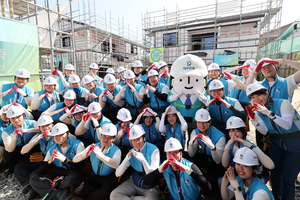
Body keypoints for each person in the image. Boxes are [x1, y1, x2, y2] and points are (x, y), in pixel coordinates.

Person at [245, 83, 300, 200]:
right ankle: (276, 195)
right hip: (276, 142)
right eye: (252, 97)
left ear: (266, 94)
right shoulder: (258, 111)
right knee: (274, 171)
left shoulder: (283, 103)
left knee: (288, 178)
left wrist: (269, 113)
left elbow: (287, 125)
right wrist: (254, 119)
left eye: (258, 95)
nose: (256, 99)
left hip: (295, 142)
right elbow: (264, 130)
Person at [29, 123, 85, 199]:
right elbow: (40, 170)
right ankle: (58, 193)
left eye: (62, 134)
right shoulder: (52, 148)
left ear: (67, 134)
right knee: (34, 179)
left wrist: (66, 160)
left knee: (69, 180)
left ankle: (43, 189)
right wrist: (49, 162)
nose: (59, 137)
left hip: (73, 171)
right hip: (59, 170)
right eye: (56, 135)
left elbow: (81, 164)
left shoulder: (78, 144)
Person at [144, 138, 212, 200]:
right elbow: (146, 182)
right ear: (166, 155)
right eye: (169, 153)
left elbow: (208, 187)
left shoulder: (190, 166)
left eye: (175, 152)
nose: (172, 156)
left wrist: (189, 171)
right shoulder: (165, 167)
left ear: (181, 154)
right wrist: (159, 170)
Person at [70, 123, 121, 200]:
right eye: (104, 136)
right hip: (93, 175)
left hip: (108, 177)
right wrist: (84, 154)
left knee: (106, 190)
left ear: (113, 138)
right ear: (101, 136)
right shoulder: (94, 146)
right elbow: (74, 160)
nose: (105, 140)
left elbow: (116, 164)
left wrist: (101, 156)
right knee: (74, 187)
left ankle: (93, 196)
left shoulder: (116, 150)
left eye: (109, 137)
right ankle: (97, 195)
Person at [110, 125, 160, 200]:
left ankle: (132, 198)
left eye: (138, 139)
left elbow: (152, 176)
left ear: (144, 138)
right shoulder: (132, 152)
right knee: (114, 195)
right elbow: (117, 174)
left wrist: (143, 160)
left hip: (150, 185)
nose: (136, 142)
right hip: (135, 181)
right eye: (133, 140)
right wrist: (126, 159)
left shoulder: (154, 149)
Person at [14, 115, 55, 197]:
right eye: (42, 126)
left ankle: (34, 189)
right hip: (43, 161)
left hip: (53, 163)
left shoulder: (58, 134)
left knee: (34, 174)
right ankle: (28, 185)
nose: (45, 127)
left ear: (52, 125)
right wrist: (37, 139)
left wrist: (52, 135)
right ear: (39, 128)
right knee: (19, 167)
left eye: (48, 125)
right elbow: (23, 151)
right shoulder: (39, 135)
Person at [188, 108, 225, 194]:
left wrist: (212, 147)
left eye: (204, 122)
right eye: (199, 122)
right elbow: (192, 154)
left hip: (215, 163)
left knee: (208, 185)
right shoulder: (195, 132)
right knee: (190, 158)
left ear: (209, 122)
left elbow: (218, 161)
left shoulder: (220, 136)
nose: (201, 125)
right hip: (204, 158)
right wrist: (190, 144)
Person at [2, 105, 38, 174]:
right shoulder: (6, 131)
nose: (16, 120)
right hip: (17, 148)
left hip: (30, 145)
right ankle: (13, 167)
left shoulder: (32, 123)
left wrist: (28, 130)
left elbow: (41, 131)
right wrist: (13, 139)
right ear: (9, 119)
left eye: (18, 117)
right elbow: (9, 149)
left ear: (23, 115)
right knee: (9, 154)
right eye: (12, 118)